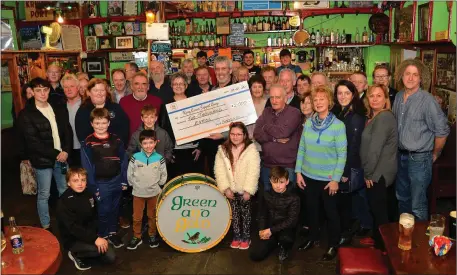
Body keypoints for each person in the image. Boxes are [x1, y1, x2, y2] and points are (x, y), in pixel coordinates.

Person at [393, 59, 449, 221]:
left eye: (415, 75)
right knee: (402, 198)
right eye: (407, 74)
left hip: (419, 158)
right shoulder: (398, 97)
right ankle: (403, 238)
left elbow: (442, 131)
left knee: (418, 204)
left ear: (421, 78)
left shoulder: (428, 100)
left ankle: (420, 244)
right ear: (401, 76)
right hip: (400, 156)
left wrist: (435, 153)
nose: (410, 78)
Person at [295, 85, 347, 261]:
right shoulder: (309, 122)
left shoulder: (338, 126)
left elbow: (342, 155)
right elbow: (302, 148)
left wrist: (336, 180)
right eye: (315, 100)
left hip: (328, 179)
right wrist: (298, 172)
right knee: (312, 211)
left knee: (331, 213)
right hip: (308, 176)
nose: (318, 103)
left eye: (321, 99)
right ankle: (312, 238)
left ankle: (333, 244)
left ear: (329, 102)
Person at [16, 77, 73, 230]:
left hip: (62, 157)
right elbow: (33, 143)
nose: (42, 93)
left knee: (64, 191)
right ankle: (46, 226)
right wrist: (57, 154)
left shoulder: (57, 107)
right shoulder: (26, 114)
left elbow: (67, 131)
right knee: (44, 194)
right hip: (42, 160)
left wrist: (66, 150)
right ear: (32, 92)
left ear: (49, 90)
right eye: (38, 90)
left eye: (45, 90)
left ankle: (66, 221)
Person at [80, 108, 128, 248]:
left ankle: (112, 233)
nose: (100, 126)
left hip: (116, 180)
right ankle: (103, 235)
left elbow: (124, 160)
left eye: (103, 123)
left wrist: (123, 179)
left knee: (114, 208)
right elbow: (87, 166)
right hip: (100, 183)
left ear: (108, 123)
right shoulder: (88, 142)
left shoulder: (116, 139)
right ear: (92, 124)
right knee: (103, 209)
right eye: (97, 123)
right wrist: (93, 186)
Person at [360, 84, 398, 249]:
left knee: (380, 213)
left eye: (379, 96)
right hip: (379, 172)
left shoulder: (384, 117)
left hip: (377, 173)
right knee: (379, 210)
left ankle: (384, 250)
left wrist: (368, 174)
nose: (375, 99)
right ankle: (378, 240)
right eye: (371, 96)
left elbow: (375, 150)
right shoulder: (375, 117)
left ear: (386, 99)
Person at [56, 168, 116, 271]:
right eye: (75, 180)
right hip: (73, 239)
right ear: (68, 183)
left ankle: (88, 250)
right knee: (103, 252)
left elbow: (94, 217)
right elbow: (72, 228)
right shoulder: (63, 201)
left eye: (83, 180)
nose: (80, 183)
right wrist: (95, 239)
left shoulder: (89, 194)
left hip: (89, 235)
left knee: (110, 256)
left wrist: (97, 236)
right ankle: (75, 253)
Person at [214, 122, 260, 250]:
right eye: (233, 134)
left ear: (244, 135)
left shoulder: (251, 149)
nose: (235, 137)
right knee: (234, 214)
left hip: (244, 189)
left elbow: (253, 171)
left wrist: (248, 190)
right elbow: (219, 170)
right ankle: (236, 236)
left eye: (239, 134)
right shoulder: (222, 149)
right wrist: (225, 187)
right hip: (231, 188)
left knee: (245, 214)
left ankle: (246, 237)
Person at [333, 80, 367, 246]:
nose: (343, 96)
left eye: (347, 93)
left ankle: (346, 235)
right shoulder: (342, 113)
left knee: (346, 204)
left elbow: (353, 147)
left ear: (353, 95)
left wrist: (345, 172)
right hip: (341, 166)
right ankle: (344, 231)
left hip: (348, 168)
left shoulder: (356, 117)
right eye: (340, 93)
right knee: (344, 203)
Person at [254, 84, 302, 192]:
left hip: (287, 166)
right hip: (267, 165)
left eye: (278, 97)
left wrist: (265, 126)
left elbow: (283, 133)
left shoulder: (294, 112)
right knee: (268, 202)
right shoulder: (266, 111)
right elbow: (257, 134)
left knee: (287, 202)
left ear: (285, 98)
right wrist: (273, 139)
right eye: (272, 97)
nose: (274, 100)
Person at [126, 130, 167, 250]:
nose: (148, 145)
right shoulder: (135, 158)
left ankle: (152, 235)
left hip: (154, 193)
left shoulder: (160, 158)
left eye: (151, 142)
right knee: (137, 217)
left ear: (155, 143)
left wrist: (159, 185)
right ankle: (136, 236)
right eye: (145, 143)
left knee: (152, 216)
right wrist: (134, 185)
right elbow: (130, 173)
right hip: (138, 193)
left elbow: (163, 174)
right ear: (140, 144)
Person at [249, 167, 300, 262]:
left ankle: (284, 247)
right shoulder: (266, 194)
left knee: (286, 239)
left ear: (287, 181)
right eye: (275, 182)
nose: (278, 186)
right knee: (255, 255)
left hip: (285, 228)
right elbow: (262, 214)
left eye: (281, 182)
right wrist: (261, 229)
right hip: (270, 227)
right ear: (270, 181)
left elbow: (291, 221)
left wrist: (271, 231)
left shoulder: (294, 198)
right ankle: (274, 243)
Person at [159, 72, 203, 179]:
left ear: (186, 86)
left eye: (181, 84)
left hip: (192, 149)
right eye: (175, 84)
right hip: (174, 150)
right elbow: (162, 128)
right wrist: (167, 151)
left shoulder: (194, 103)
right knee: (175, 183)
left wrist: (200, 147)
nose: (178, 86)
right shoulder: (166, 104)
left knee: (192, 182)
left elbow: (202, 125)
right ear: (171, 86)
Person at [75, 78, 129, 145]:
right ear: (88, 92)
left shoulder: (116, 108)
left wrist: (115, 148)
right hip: (92, 151)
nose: (99, 93)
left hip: (115, 151)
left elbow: (124, 131)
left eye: (102, 90)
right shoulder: (83, 111)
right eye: (95, 90)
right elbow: (82, 136)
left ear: (106, 92)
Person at [119, 72, 162, 138]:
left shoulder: (157, 101)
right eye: (136, 84)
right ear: (131, 86)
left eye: (144, 84)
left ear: (148, 87)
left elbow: (161, 125)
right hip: (131, 144)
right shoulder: (123, 102)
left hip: (152, 144)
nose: (140, 87)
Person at [61, 74, 83, 167]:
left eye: (72, 86)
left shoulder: (86, 105)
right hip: (66, 150)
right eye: (66, 87)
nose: (69, 89)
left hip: (83, 148)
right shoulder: (60, 107)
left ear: (78, 88)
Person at [246, 75, 268, 152]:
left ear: (264, 88)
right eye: (254, 87)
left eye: (260, 86)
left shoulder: (268, 103)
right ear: (250, 89)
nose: (257, 89)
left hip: (264, 146)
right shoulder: (245, 104)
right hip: (247, 146)